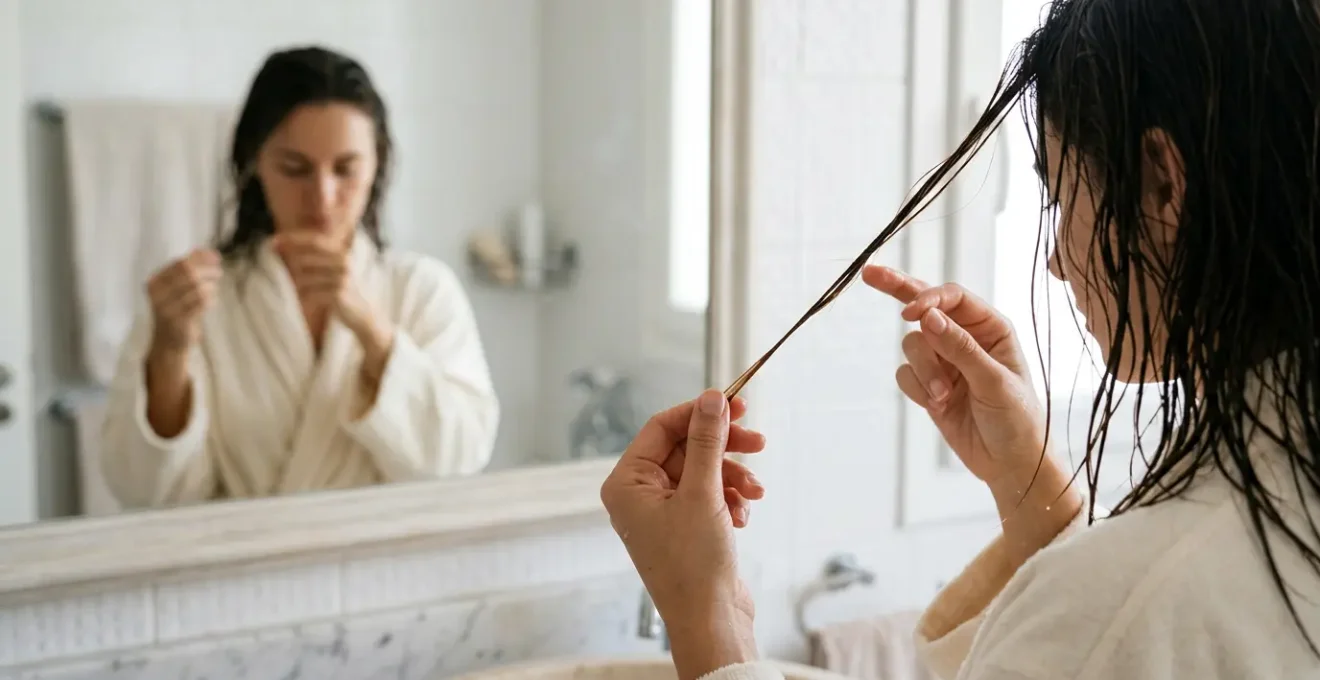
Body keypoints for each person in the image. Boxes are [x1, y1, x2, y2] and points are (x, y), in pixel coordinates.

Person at [601, 0, 1320, 678]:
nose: (1056, 261)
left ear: (1162, 184)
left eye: (1063, 196)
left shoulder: (1140, 600)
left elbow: (1115, 625)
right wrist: (1034, 488)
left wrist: (710, 618)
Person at [100, 46, 500, 509]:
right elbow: (145, 492)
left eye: (346, 169)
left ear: (378, 166)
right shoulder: (195, 300)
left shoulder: (421, 290)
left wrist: (371, 330)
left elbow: (462, 458)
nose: (322, 197)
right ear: (255, 165)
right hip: (246, 573)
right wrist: (168, 351)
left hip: (388, 571)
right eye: (295, 169)